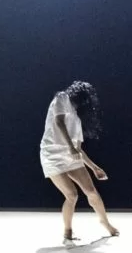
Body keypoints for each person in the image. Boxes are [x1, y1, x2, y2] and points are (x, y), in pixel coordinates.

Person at [40, 81, 120, 244]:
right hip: (52, 154)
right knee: (72, 195)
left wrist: (94, 168)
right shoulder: (62, 97)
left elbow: (78, 149)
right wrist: (70, 147)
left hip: (70, 155)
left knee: (91, 191)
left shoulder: (76, 118)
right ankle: (67, 232)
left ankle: (104, 222)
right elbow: (59, 122)